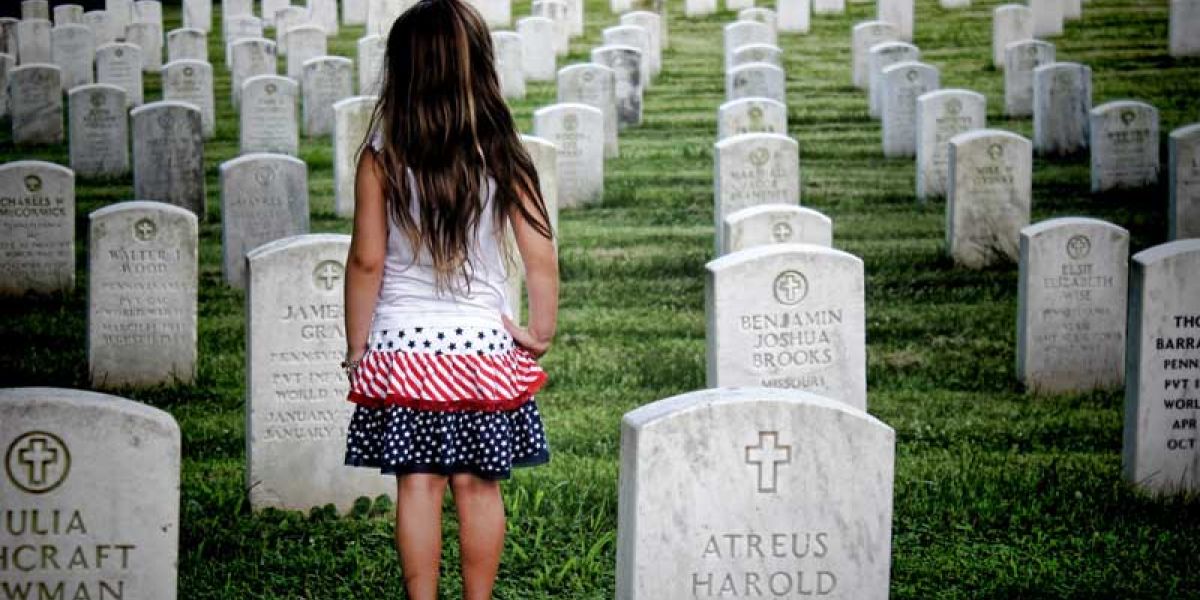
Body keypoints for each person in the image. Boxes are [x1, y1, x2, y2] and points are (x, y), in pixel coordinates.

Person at [339, 0, 558, 597]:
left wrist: (358, 347)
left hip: (404, 348)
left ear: (401, 72)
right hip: (483, 350)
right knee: (478, 484)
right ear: (478, 67)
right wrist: (540, 330)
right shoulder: (503, 152)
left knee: (418, 483)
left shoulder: (382, 158)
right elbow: (539, 250)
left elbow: (366, 260)